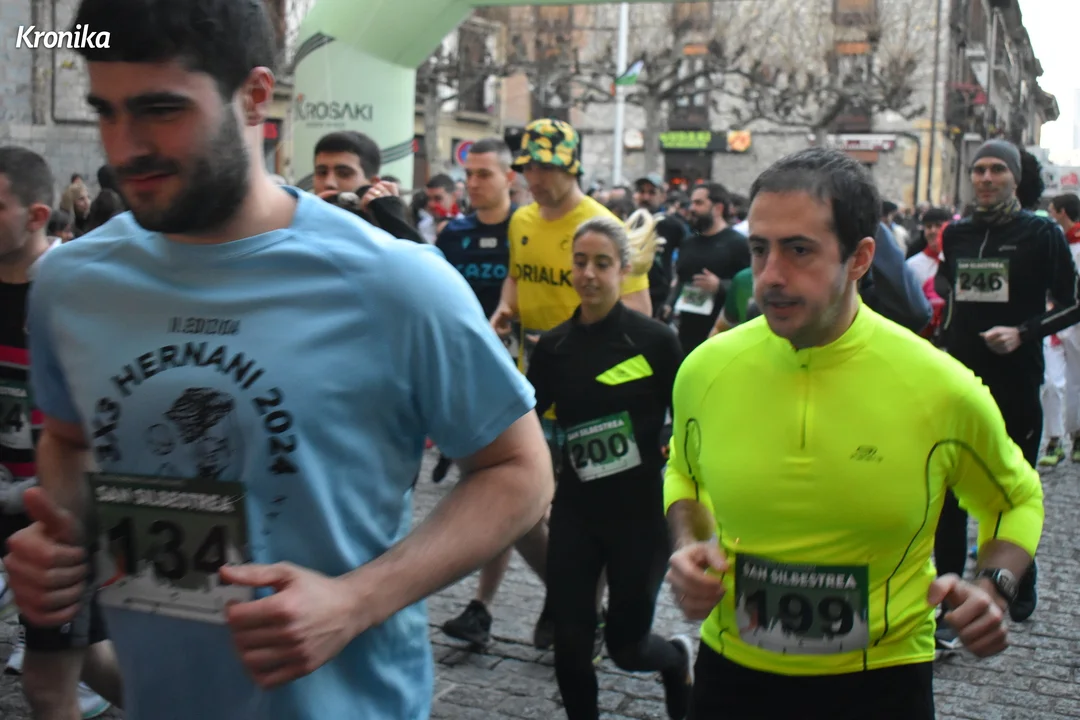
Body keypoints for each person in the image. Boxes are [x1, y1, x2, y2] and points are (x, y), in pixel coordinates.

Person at [2, 3, 553, 720]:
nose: (126, 146)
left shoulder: (394, 281)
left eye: (161, 110)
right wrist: (64, 544)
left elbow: (520, 471)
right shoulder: (71, 285)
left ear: (255, 97)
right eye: (106, 111)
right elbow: (71, 440)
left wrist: (357, 601)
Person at [665, 148, 1044, 720]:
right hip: (731, 676)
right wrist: (688, 545)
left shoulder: (938, 386)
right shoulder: (705, 370)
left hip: (881, 684)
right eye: (760, 249)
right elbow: (684, 474)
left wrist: (993, 586)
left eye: (799, 250)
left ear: (860, 258)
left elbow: (1015, 498)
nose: (771, 276)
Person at [488, 117, 651, 649]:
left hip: (592, 392)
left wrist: (592, 357)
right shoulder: (521, 219)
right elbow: (517, 275)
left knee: (591, 511)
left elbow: (639, 312)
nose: (532, 178)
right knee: (519, 505)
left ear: (571, 167)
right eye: (527, 167)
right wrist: (505, 309)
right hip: (533, 387)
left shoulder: (604, 227)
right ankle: (568, 596)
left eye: (544, 167)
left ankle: (580, 610)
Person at [529, 216, 691, 720]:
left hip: (639, 515)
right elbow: (527, 418)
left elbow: (689, 418)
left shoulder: (655, 341)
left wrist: (671, 451)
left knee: (627, 647)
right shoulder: (554, 347)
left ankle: (676, 660)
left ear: (623, 269)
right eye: (580, 262)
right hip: (576, 511)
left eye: (601, 263)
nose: (589, 274)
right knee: (570, 644)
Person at [935, 139, 1080, 623]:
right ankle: (949, 591)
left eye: (997, 169)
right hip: (960, 377)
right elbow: (949, 288)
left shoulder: (1041, 233)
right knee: (948, 486)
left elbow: (1071, 304)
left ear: (1015, 177)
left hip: (1016, 377)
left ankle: (1016, 577)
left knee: (1010, 487)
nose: (986, 178)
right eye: (979, 169)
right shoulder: (957, 234)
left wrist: (1023, 333)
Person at [0, 146, 117, 719]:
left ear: (38, 216)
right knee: (80, 663)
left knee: (53, 683)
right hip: (9, 498)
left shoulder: (75, 290)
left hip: (58, 510)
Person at [311, 130, 424, 243]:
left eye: (344, 174)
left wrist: (395, 222)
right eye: (321, 173)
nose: (329, 183)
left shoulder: (385, 234)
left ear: (373, 184)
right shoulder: (303, 223)